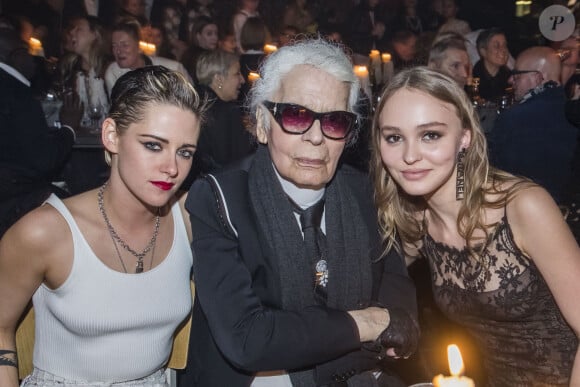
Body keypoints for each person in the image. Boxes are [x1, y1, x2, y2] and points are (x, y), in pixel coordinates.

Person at [178, 38, 419, 387]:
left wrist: (387, 322)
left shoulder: (366, 195)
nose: (316, 138)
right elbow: (248, 340)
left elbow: (402, 311)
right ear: (262, 124)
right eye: (296, 115)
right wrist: (367, 323)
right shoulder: (221, 199)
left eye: (335, 121)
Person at [370, 66, 580, 385]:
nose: (409, 155)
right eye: (394, 137)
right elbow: (377, 282)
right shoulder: (415, 221)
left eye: (430, 135)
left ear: (464, 137)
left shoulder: (523, 206)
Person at [0, 66, 205, 386]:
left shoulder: (191, 215)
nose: (171, 168)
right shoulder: (46, 231)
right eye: (153, 145)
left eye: (185, 152)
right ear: (112, 135)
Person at [0, 25, 77, 238]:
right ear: (16, 56)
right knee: (79, 205)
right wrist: (70, 127)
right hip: (12, 200)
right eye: (29, 53)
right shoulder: (17, 94)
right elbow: (45, 160)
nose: (35, 60)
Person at [488, 46, 579, 204]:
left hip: (522, 209)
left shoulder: (514, 118)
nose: (510, 80)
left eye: (516, 75)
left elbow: (494, 174)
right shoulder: (573, 113)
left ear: (538, 78)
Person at [185, 49, 254, 184]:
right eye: (237, 73)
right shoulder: (226, 111)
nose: (242, 79)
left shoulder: (190, 101)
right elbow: (240, 163)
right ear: (219, 79)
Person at [104, 18, 192, 95]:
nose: (118, 51)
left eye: (125, 45)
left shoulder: (173, 69)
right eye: (114, 45)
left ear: (139, 47)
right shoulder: (113, 72)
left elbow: (191, 102)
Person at [57, 15, 112, 130]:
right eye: (72, 28)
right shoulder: (69, 69)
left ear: (95, 34)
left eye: (78, 29)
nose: (71, 32)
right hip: (79, 137)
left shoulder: (110, 68)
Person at [472, 28, 511, 103]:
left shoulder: (511, 79)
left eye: (505, 45)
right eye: (496, 46)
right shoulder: (472, 82)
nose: (503, 50)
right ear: (483, 52)